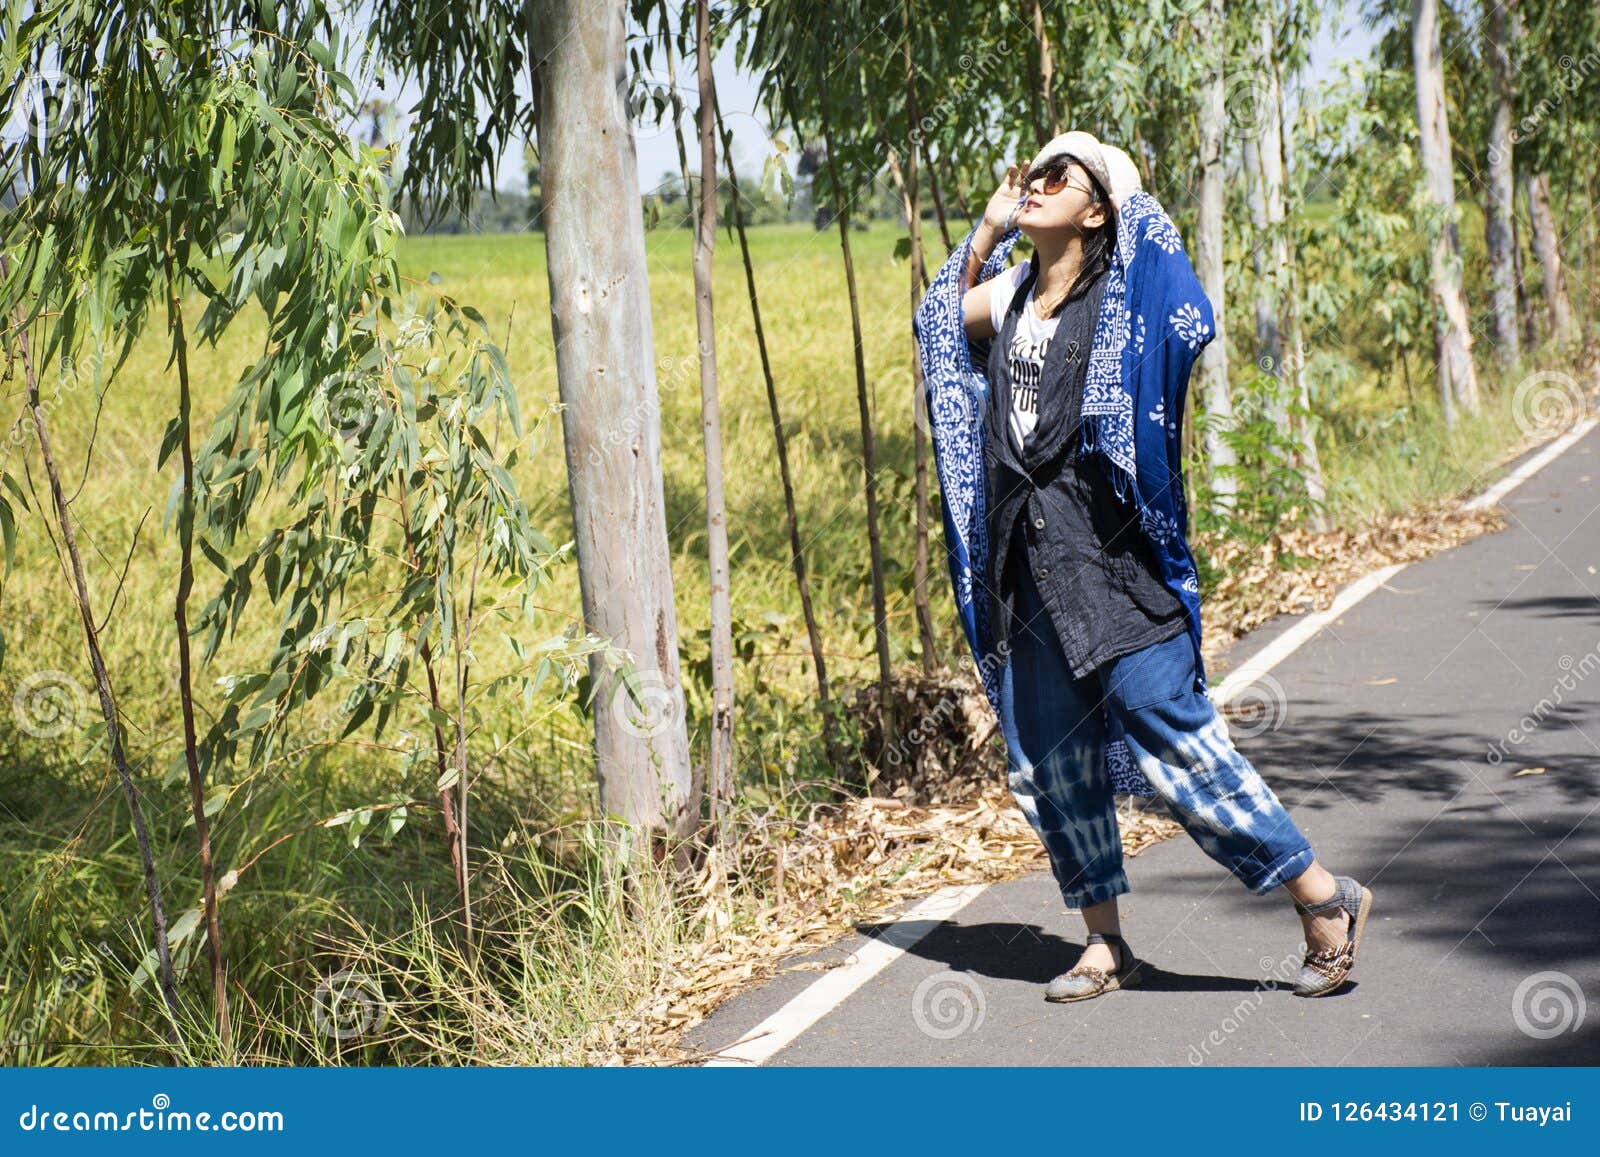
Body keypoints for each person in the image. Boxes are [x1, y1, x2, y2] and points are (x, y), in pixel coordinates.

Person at [922, 130, 1373, 1001]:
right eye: (1034, 171)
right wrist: (987, 230)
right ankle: (1104, 944)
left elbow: (1188, 308)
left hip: (1116, 565)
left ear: (1096, 211)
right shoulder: (1013, 291)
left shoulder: (1127, 293)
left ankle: (1321, 895)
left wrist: (1127, 193)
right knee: (1052, 761)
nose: (1037, 181)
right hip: (1025, 564)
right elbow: (937, 325)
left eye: (1061, 175)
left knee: (1176, 741)